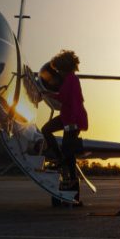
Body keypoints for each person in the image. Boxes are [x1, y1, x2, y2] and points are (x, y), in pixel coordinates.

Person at [39, 50, 88, 191]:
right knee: (47, 130)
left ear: (65, 67)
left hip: (73, 119)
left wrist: (71, 124)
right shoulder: (70, 79)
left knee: (68, 150)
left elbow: (73, 102)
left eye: (59, 69)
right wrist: (49, 94)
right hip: (67, 117)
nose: (58, 72)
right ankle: (62, 161)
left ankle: (71, 177)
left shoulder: (72, 79)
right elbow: (63, 98)